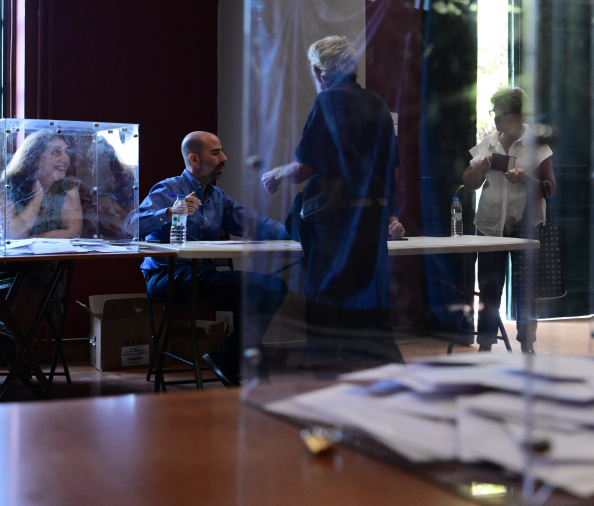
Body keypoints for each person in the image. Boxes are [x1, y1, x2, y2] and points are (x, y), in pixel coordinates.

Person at [261, 35, 404, 367]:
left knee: (326, 309)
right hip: (372, 224)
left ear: (317, 70)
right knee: (371, 310)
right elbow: (393, 171)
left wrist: (276, 174)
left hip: (335, 228)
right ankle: (381, 378)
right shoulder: (377, 103)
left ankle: (329, 379)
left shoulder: (327, 101)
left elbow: (305, 167)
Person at [137, 131, 289, 386]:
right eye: (216, 153)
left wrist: (299, 234)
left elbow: (255, 225)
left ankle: (228, 356)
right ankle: (239, 363)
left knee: (274, 287)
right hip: (167, 276)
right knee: (251, 291)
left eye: (222, 151)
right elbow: (131, 225)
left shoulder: (218, 197)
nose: (224, 158)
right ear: (194, 159)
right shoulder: (169, 189)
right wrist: (169, 211)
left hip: (203, 276)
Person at [462, 87, 556, 353]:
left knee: (526, 288)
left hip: (527, 225)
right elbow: (468, 183)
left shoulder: (536, 143)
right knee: (489, 287)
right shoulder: (489, 143)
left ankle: (527, 344)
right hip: (489, 225)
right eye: (495, 113)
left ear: (520, 115)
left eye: (502, 113)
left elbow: (550, 188)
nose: (497, 118)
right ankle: (486, 343)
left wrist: (526, 178)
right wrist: (481, 166)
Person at [0, 132, 83, 334]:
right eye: (56, 152)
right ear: (35, 158)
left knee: (24, 298)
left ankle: (13, 349)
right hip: (6, 269)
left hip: (42, 273)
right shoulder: (9, 184)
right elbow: (13, 235)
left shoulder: (68, 187)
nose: (65, 159)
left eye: (66, 152)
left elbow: (73, 232)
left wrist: (32, 239)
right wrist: (37, 194)